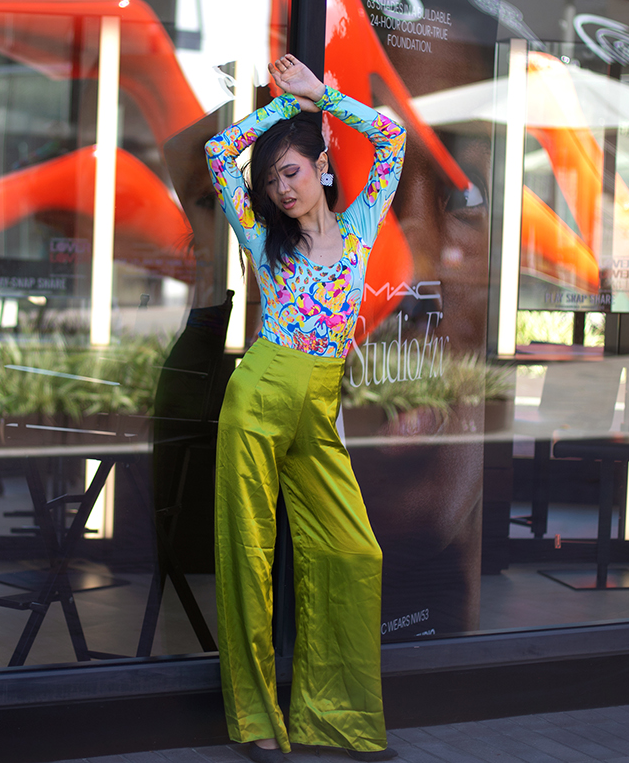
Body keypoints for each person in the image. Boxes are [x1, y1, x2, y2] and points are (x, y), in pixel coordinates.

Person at [204, 53, 405, 763]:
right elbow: (217, 153)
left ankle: (336, 717)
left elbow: (393, 137)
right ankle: (257, 720)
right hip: (258, 398)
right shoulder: (265, 239)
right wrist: (278, 109)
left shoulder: (359, 226)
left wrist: (322, 98)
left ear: (321, 166)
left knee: (353, 550)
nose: (281, 189)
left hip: (317, 407)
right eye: (270, 181)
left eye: (290, 171)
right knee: (249, 556)